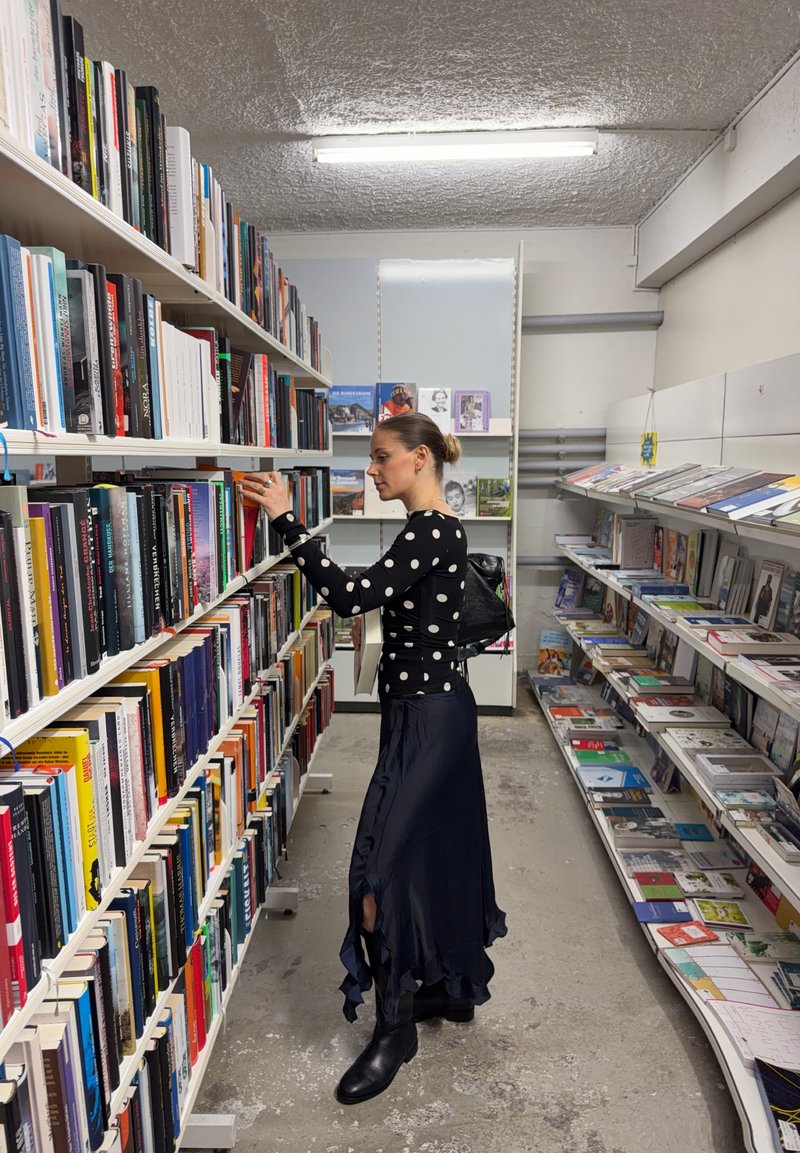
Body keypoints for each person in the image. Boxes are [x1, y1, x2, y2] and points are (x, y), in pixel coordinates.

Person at [239, 413, 507, 1105]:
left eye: (383, 458)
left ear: (420, 458)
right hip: (430, 715)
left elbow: (352, 595)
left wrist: (288, 524)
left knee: (375, 876)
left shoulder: (431, 530)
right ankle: (446, 992)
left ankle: (395, 1030)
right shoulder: (436, 529)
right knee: (431, 855)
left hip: (428, 722)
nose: (374, 471)